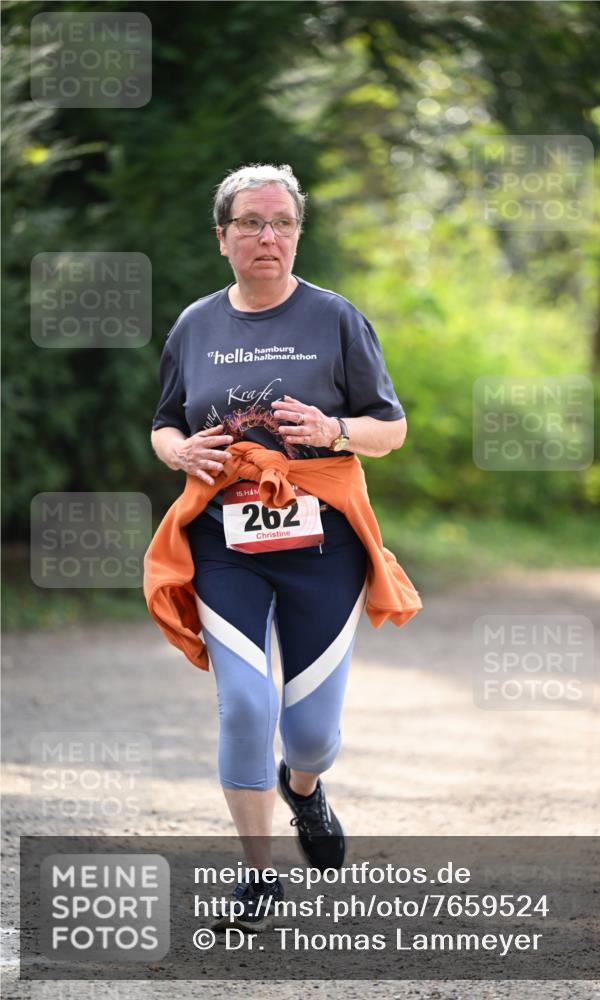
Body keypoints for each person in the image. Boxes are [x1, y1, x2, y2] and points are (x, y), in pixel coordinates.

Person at [149, 163, 417, 930]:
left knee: (310, 734)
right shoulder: (195, 324)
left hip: (322, 547)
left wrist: (333, 431)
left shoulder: (335, 318)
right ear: (223, 236)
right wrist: (178, 454)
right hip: (222, 542)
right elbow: (165, 420)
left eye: (282, 223)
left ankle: (303, 790)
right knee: (244, 703)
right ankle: (259, 877)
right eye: (250, 223)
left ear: (296, 234)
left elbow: (389, 429)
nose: (268, 236)